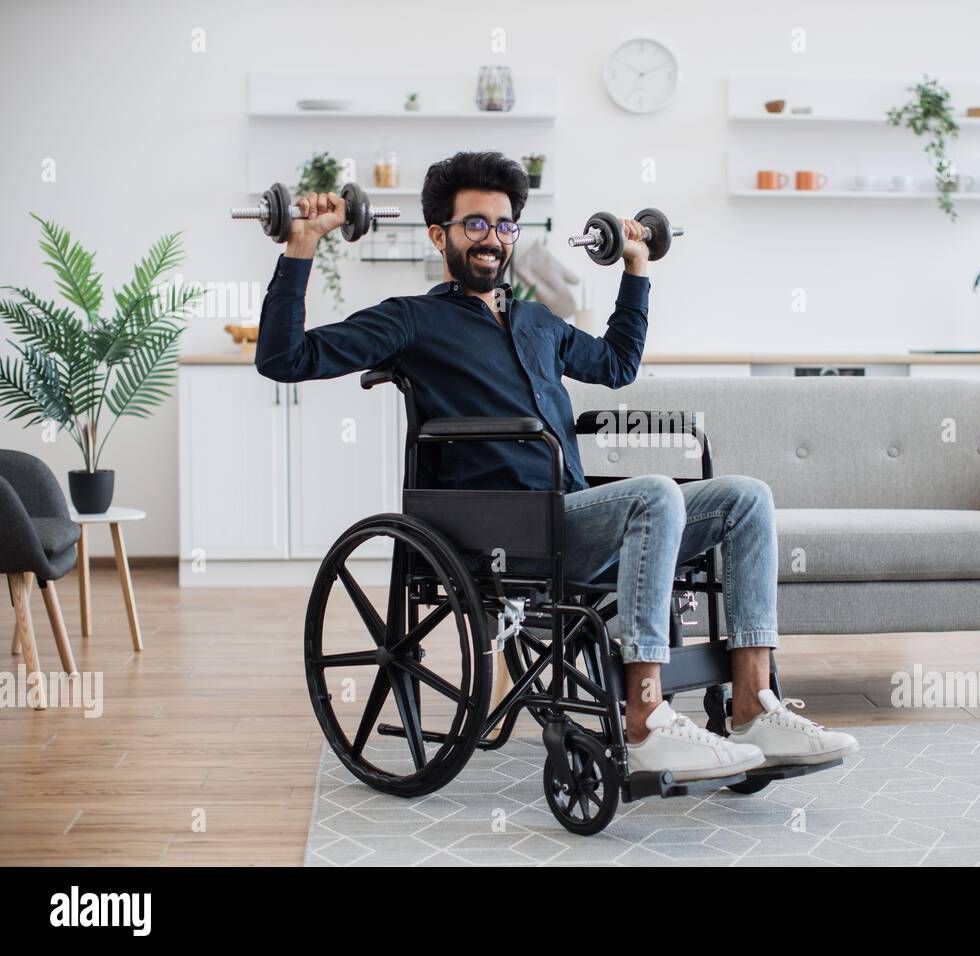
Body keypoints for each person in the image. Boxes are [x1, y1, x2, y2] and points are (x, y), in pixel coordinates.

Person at [256, 151, 857, 781]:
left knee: (746, 497)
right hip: (499, 531)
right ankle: (646, 722)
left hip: (572, 516)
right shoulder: (411, 320)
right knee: (654, 494)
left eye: (504, 225)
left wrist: (635, 266)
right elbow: (285, 357)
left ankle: (752, 708)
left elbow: (617, 365)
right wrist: (302, 244)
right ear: (441, 235)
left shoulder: (538, 320)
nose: (492, 239)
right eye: (475, 225)